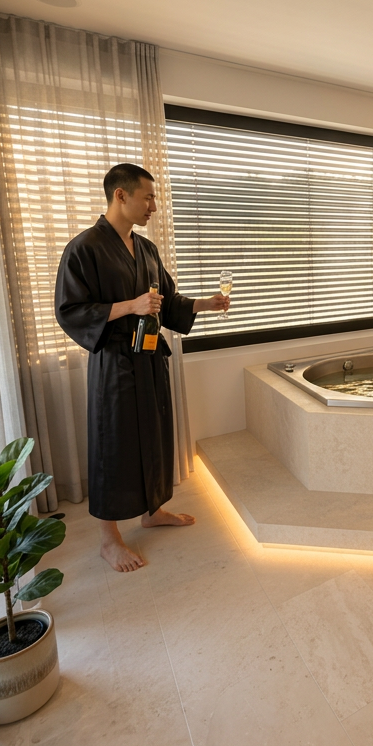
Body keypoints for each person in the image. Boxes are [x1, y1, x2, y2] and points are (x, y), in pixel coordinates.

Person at [54, 163, 229, 572]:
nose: (154, 206)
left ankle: (152, 511)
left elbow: (167, 300)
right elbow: (70, 310)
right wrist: (129, 306)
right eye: (148, 197)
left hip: (148, 357)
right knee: (113, 445)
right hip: (114, 363)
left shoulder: (147, 249)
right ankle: (108, 539)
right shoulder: (84, 248)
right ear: (121, 195)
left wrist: (205, 304)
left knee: (154, 436)